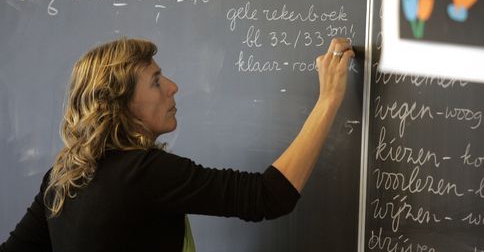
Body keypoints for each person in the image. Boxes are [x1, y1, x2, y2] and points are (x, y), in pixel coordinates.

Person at [0, 37, 354, 252]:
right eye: (155, 81)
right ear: (120, 105)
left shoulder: (61, 178)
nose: (172, 86)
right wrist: (328, 101)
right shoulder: (142, 173)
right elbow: (268, 195)